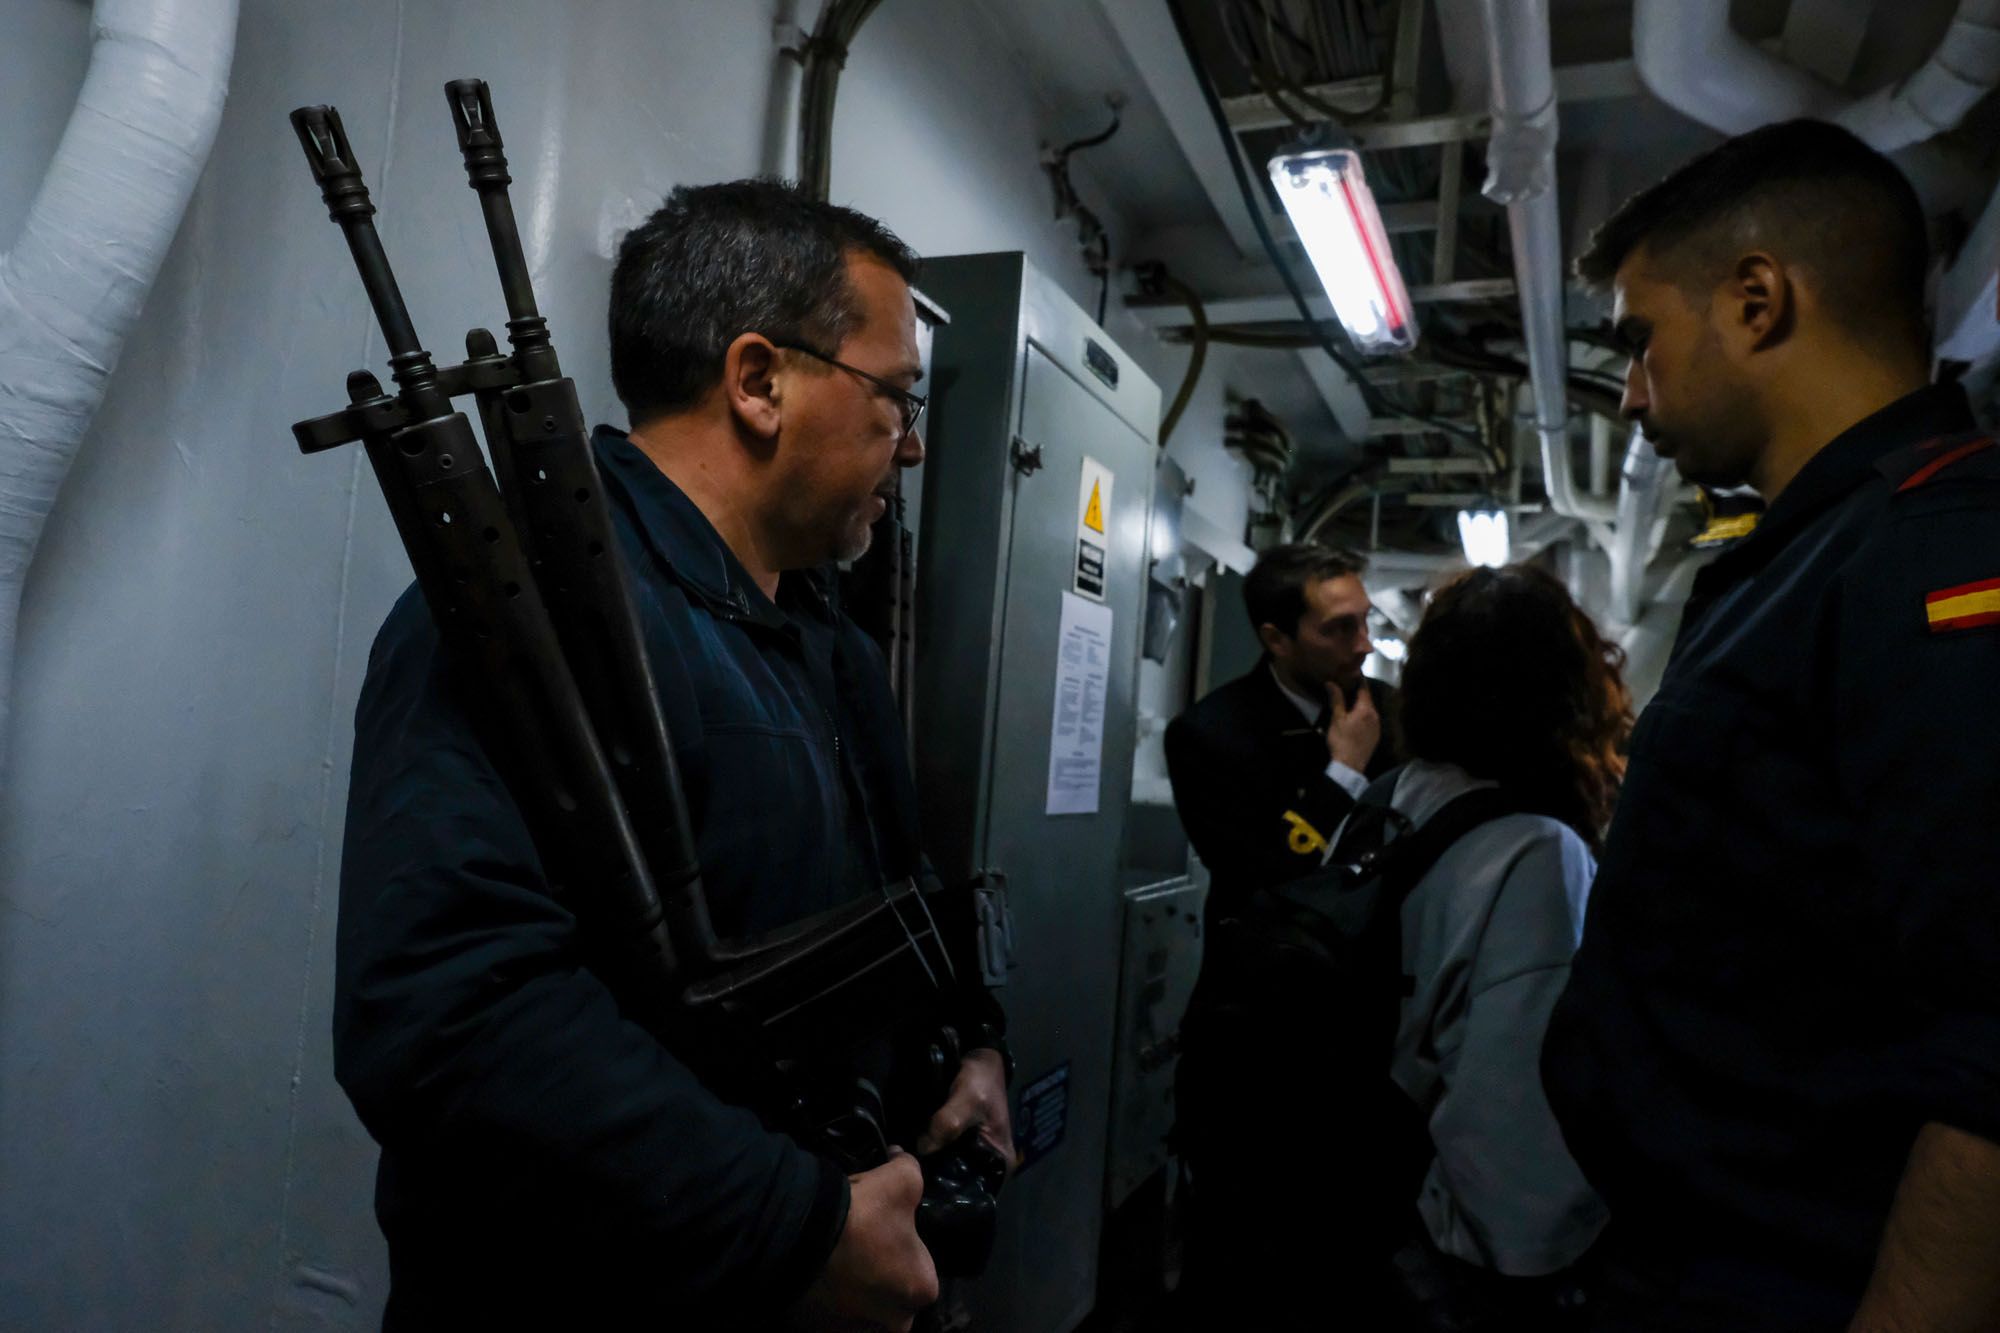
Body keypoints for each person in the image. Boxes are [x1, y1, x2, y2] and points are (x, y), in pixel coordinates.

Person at [335, 180, 1012, 1332]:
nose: (908, 446)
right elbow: (448, 1020)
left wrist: (972, 1045)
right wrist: (797, 1225)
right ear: (758, 382)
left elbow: (890, 900)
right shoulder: (522, 621)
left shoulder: (826, 640)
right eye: (894, 397)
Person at [1541, 120, 2000, 1331]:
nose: (1628, 392)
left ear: (1755, 301)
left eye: (1638, 340)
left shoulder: (1934, 551)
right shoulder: (1815, 557)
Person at [1373, 565, 1627, 1329]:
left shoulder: (1386, 802)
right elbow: (1518, 1148)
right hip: (1460, 1263)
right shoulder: (1536, 853)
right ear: (1564, 697)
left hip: (1361, 1218)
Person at [1165, 543, 1402, 921]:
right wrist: (1345, 771)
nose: (1364, 644)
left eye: (1364, 620)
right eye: (1339, 628)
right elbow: (1260, 879)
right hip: (1267, 949)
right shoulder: (1207, 735)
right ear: (1277, 640)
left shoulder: (1391, 711)